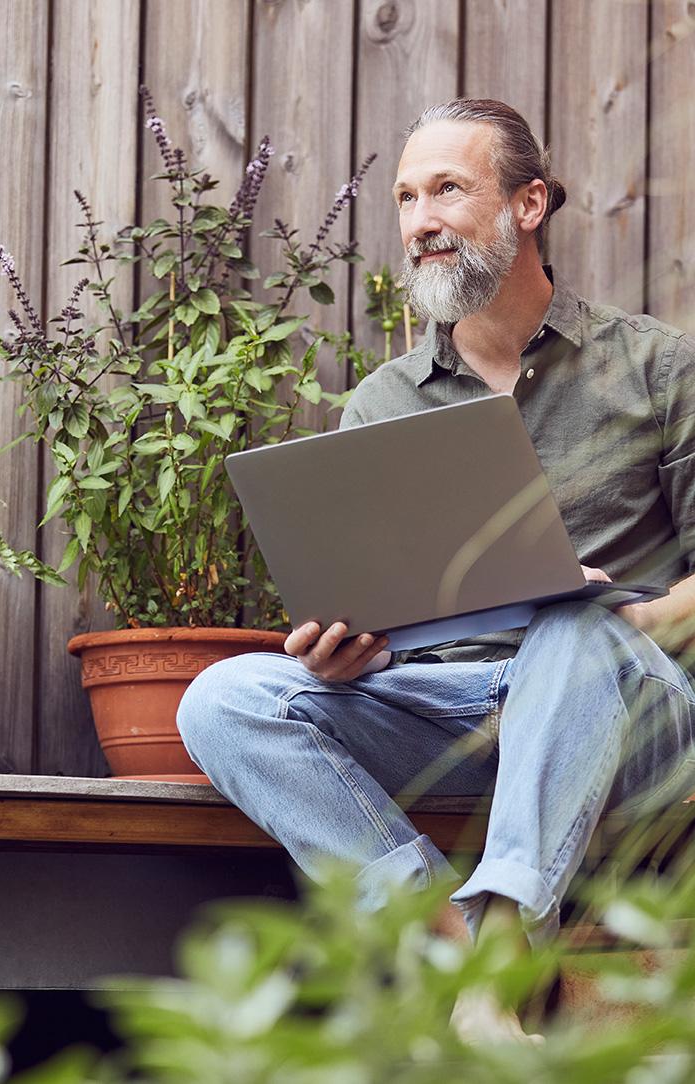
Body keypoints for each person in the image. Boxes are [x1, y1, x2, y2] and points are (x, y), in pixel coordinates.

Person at [176, 99, 695, 1036]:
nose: (419, 221)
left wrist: (630, 620)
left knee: (567, 627)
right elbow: (378, 611)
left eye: (447, 190)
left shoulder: (657, 367)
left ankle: (496, 968)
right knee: (224, 698)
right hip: (449, 708)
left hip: (630, 709)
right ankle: (443, 939)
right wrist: (350, 651)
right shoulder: (382, 403)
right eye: (407, 198)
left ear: (529, 204)